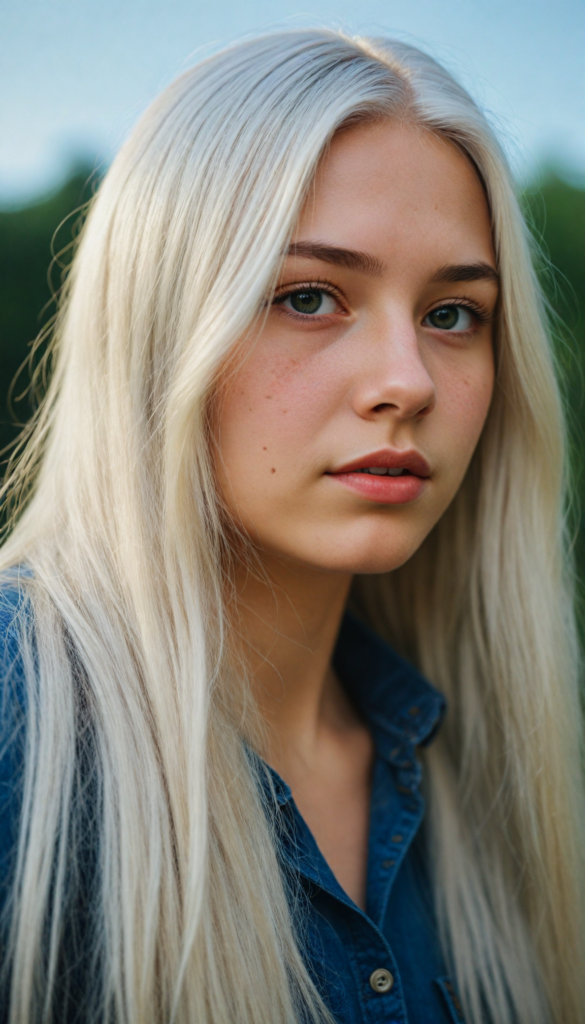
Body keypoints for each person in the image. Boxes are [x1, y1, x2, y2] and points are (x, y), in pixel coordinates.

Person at [0, 28, 583, 1024]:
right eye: (309, 296)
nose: (406, 380)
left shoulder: (501, 771)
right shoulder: (26, 733)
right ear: (158, 329)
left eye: (454, 314)